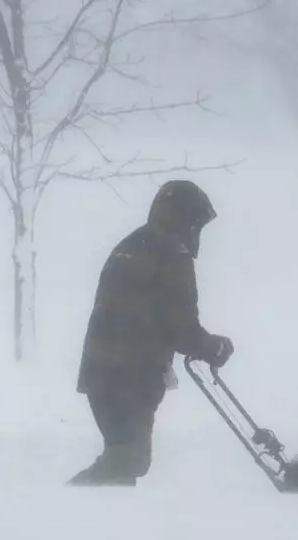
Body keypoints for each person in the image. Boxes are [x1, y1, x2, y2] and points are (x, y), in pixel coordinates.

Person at [68, 179, 234, 486]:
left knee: (124, 458)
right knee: (128, 459)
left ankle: (97, 518)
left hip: (100, 372)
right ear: (187, 218)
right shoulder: (172, 253)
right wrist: (213, 348)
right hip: (131, 375)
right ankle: (64, 507)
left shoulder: (133, 244)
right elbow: (179, 323)